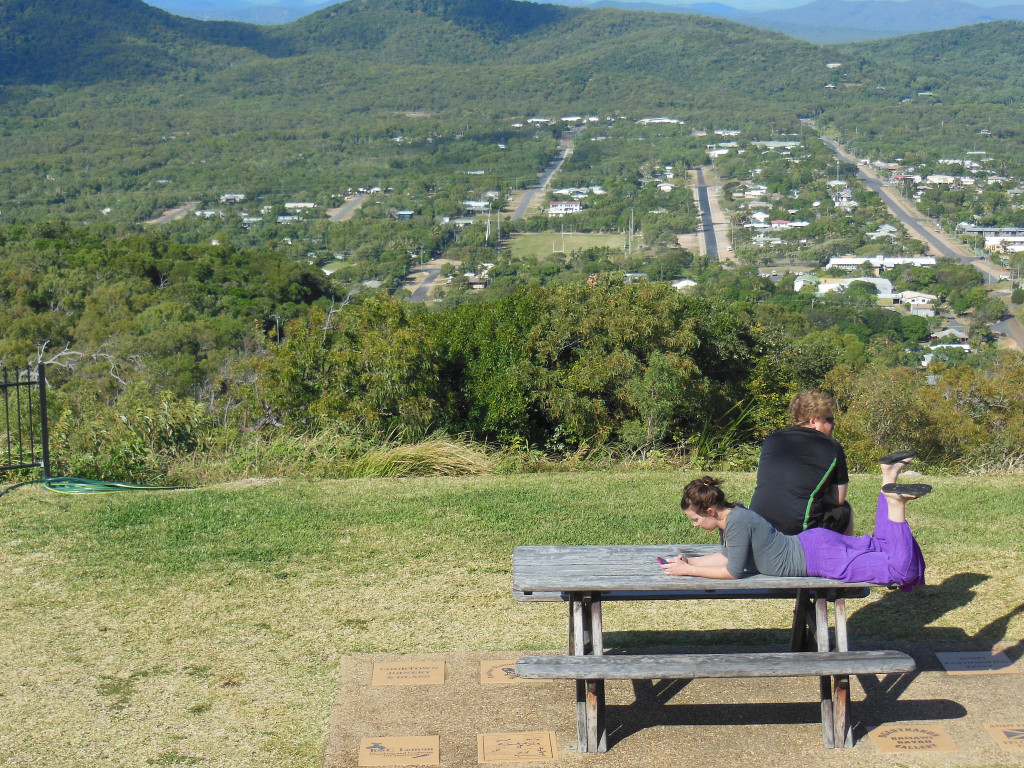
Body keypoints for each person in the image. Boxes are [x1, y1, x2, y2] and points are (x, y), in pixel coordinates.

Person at [658, 458, 927, 590]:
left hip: (819, 558)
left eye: (695, 519)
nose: (694, 525)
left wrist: (688, 572)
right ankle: (888, 475)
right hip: (813, 544)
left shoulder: (736, 522)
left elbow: (733, 572)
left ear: (710, 510)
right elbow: (729, 556)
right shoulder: (733, 516)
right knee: (877, 547)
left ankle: (896, 503)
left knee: (899, 571)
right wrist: (689, 563)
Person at [748, 390, 851, 535]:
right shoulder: (832, 446)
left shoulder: (773, 440)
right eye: (829, 420)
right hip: (796, 533)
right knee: (844, 509)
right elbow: (838, 499)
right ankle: (845, 555)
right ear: (813, 421)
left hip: (758, 527)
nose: (833, 424)